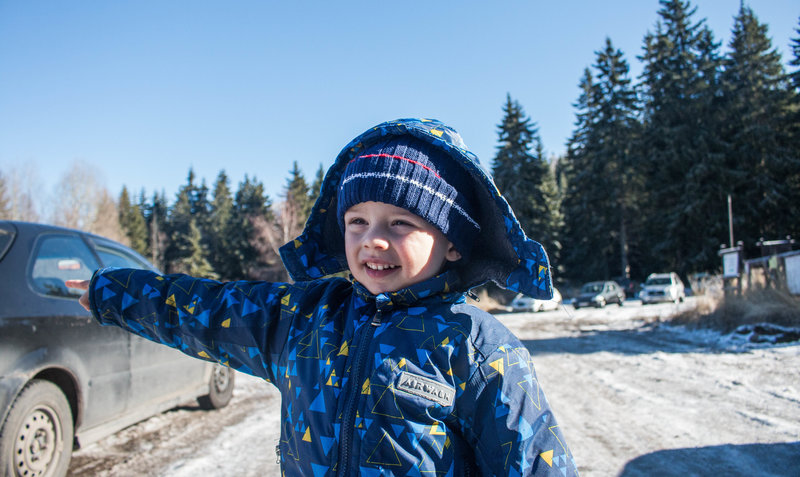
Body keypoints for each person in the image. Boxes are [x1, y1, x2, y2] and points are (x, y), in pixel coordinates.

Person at [70, 118, 578, 476]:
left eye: (400, 223)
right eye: (357, 221)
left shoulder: (477, 347)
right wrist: (110, 291)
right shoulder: (305, 319)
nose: (373, 240)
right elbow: (206, 309)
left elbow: (534, 462)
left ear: (452, 244)